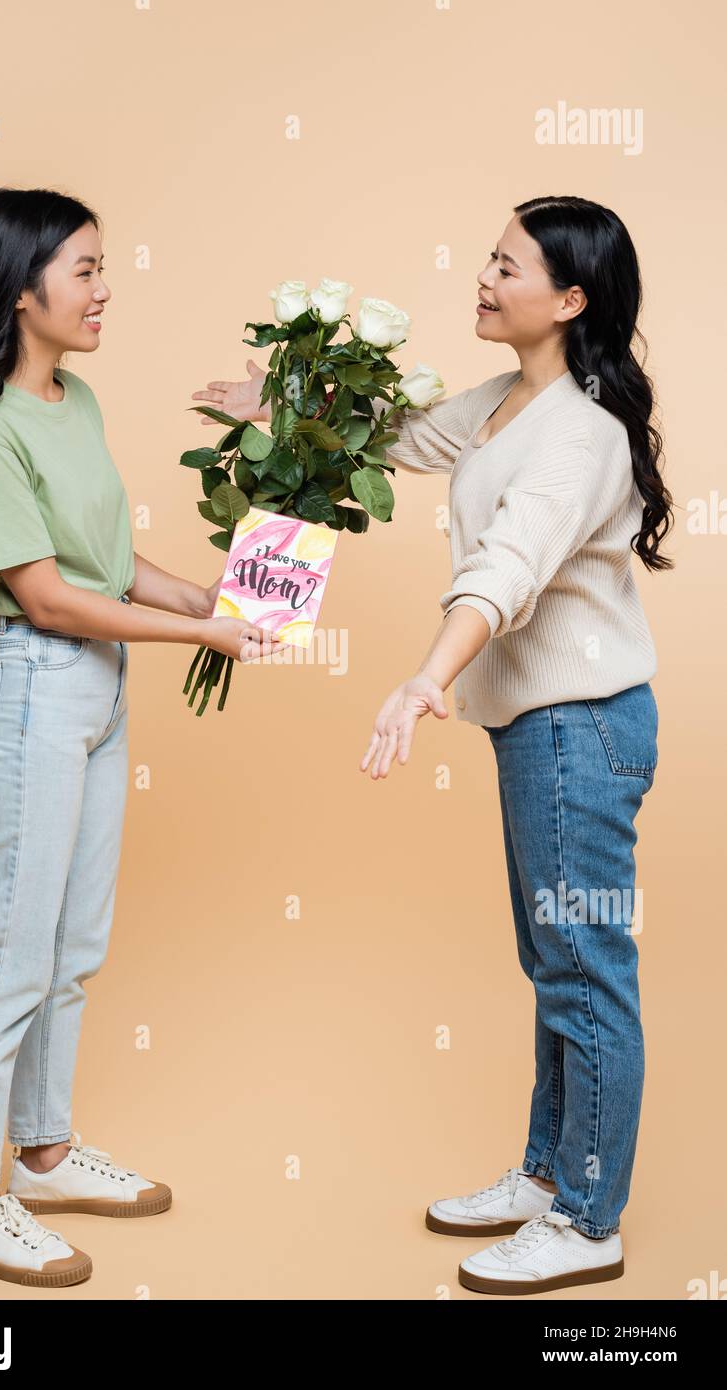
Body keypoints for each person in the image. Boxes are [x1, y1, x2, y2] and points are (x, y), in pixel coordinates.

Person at [192, 195, 673, 1296]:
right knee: (557, 968)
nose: (484, 277)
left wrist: (426, 677)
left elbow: (506, 567)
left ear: (570, 300)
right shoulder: (509, 403)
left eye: (508, 266)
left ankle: (588, 1218)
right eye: (489, 258)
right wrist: (275, 405)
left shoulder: (581, 434)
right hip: (544, 733)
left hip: (580, 730)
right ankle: (551, 1178)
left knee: (587, 975)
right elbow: (402, 439)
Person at [0, 187, 282, 1288]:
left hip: (101, 690)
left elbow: (110, 569)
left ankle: (48, 1153)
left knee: (73, 946)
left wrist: (210, 596)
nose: (105, 288)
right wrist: (195, 630)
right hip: (35, 689)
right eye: (84, 270)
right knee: (9, 951)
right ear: (21, 290)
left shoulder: (79, 399)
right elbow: (46, 597)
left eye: (105, 266)